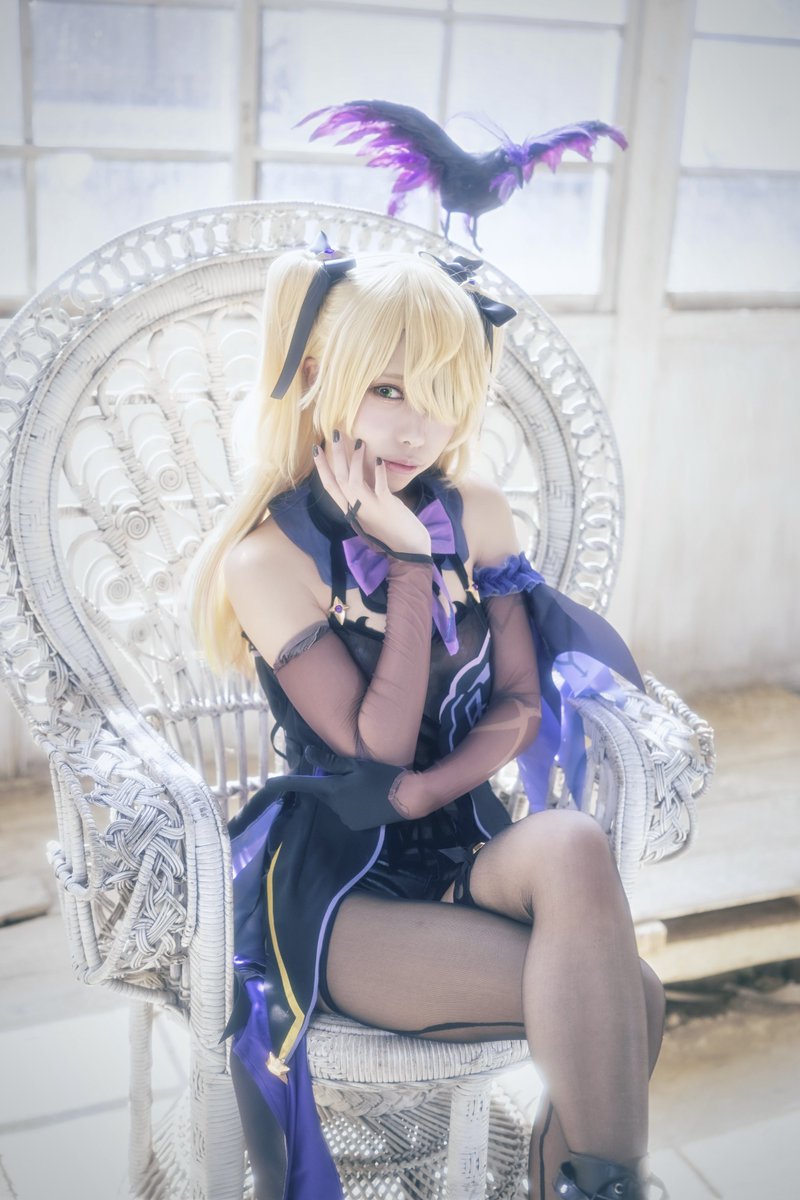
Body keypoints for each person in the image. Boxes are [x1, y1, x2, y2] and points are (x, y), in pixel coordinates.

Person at [188, 237, 666, 1200]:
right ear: (317, 380)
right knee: (633, 999)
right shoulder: (265, 561)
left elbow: (520, 700)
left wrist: (431, 792)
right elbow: (379, 751)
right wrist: (409, 564)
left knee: (572, 842)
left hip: (460, 848)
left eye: (446, 394)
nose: (419, 427)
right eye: (389, 391)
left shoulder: (477, 512)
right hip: (341, 890)